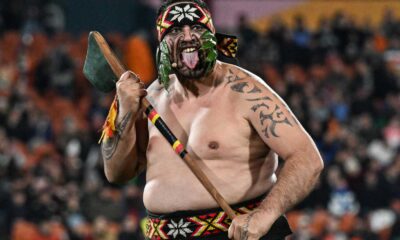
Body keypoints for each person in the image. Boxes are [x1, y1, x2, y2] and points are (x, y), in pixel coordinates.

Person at [100, 0, 324, 239]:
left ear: (212, 34)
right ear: (161, 42)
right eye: (175, 30)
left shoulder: (246, 92)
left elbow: (308, 159)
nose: (187, 37)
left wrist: (264, 215)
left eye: (196, 28)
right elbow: (116, 173)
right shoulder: (150, 97)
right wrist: (124, 111)